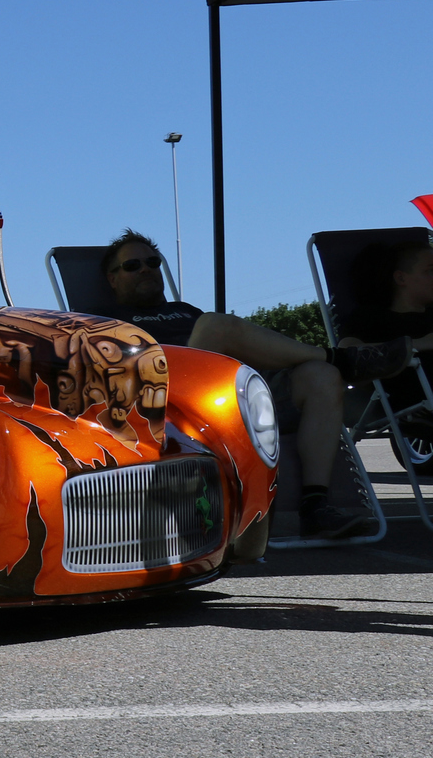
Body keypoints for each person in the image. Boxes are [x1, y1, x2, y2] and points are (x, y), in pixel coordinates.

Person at [98, 229, 413, 539]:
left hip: (230, 397)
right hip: (171, 406)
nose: (146, 270)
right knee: (215, 324)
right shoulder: (100, 319)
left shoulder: (185, 311)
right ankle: (340, 359)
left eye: (152, 262)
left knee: (322, 377)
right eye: (132, 265)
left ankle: (316, 506)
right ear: (112, 279)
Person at [339, 237, 433, 456]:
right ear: (401, 278)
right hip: (417, 407)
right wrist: (420, 344)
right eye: (430, 270)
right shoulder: (373, 318)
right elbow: (347, 354)